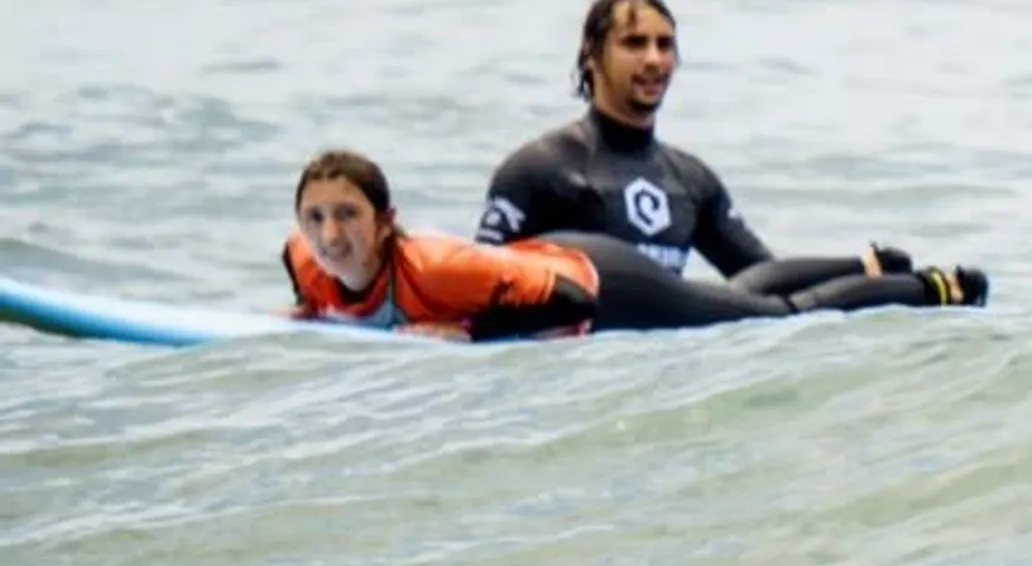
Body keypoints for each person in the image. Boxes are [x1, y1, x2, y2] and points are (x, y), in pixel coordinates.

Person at [476, 0, 985, 303]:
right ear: (591, 56)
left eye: (665, 45)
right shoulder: (540, 169)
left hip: (654, 368)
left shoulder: (689, 180)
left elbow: (756, 278)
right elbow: (475, 285)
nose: (654, 60)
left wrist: (865, 274)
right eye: (635, 44)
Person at [287, 151, 962, 337]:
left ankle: (934, 286)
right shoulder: (304, 262)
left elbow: (571, 298)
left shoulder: (435, 266)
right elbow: (318, 302)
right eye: (314, 218)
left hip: (602, 281)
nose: (331, 236)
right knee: (723, 295)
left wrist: (463, 330)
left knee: (775, 318)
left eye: (348, 216)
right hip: (553, 262)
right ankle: (865, 262)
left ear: (385, 222)